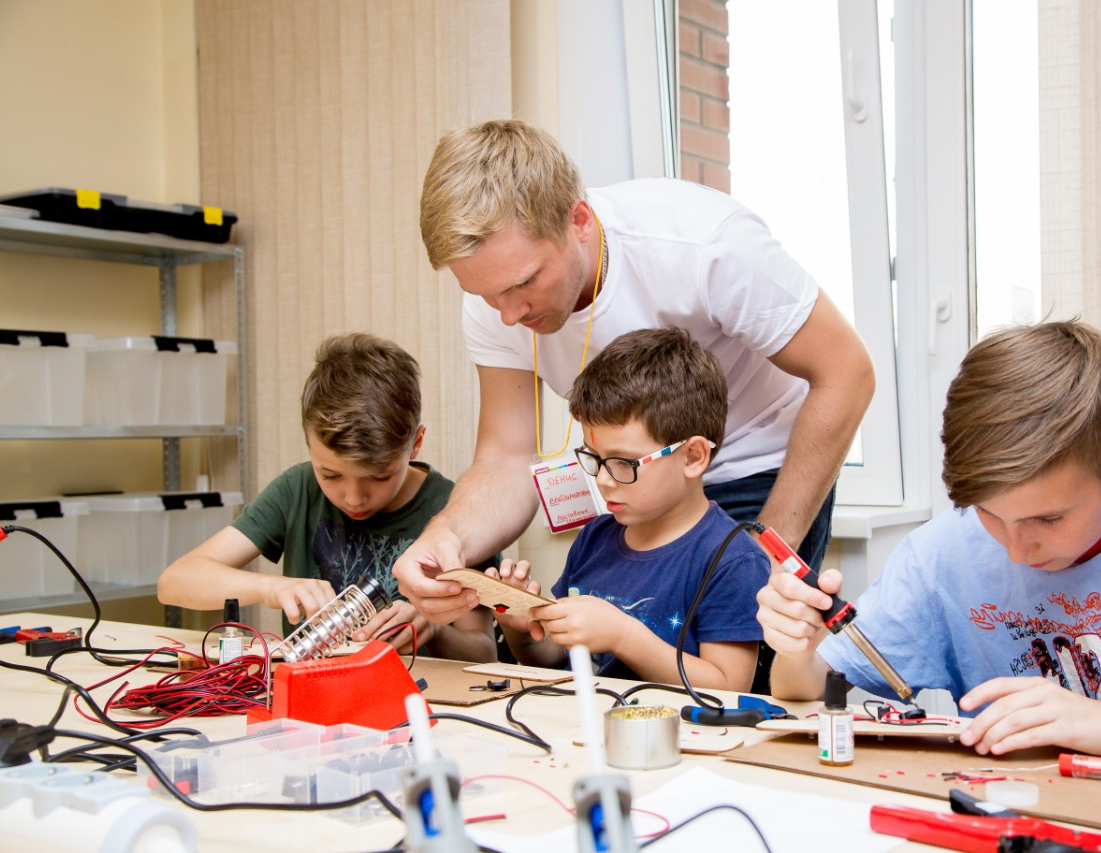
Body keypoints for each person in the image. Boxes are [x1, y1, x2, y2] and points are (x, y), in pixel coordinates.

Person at [394, 117, 874, 632]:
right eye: (484, 294)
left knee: (736, 656)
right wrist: (446, 537)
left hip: (753, 467)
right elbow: (506, 457)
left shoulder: (704, 245)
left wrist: (766, 554)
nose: (508, 315)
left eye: (525, 282)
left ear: (579, 220)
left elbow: (846, 373)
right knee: (623, 659)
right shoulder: (497, 298)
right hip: (634, 479)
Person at [757, 320, 1101, 757]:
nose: (1017, 551)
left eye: (1049, 519)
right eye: (989, 514)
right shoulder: (941, 555)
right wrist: (797, 648)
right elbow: (803, 692)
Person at [157, 333, 496, 662]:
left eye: (379, 476)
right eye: (331, 475)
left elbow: (484, 652)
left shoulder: (456, 512)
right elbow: (175, 582)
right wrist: (271, 588)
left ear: (416, 443)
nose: (354, 498)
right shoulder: (297, 489)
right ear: (309, 443)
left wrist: (434, 631)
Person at [490, 328, 770, 690]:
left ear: (692, 457)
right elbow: (556, 660)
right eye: (594, 458)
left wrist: (622, 634)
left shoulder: (733, 560)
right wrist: (522, 627)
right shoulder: (595, 538)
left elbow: (729, 689)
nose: (603, 480)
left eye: (624, 463)